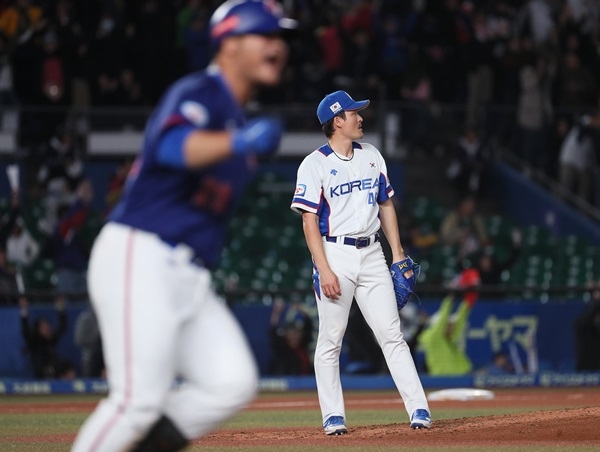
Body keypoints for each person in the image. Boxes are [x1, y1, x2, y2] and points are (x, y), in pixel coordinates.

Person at [72, 1, 295, 451]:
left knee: (230, 382)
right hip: (143, 253)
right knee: (137, 401)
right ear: (229, 44)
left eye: (280, 37)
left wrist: (237, 137)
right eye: (265, 35)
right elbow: (172, 147)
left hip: (189, 273)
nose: (277, 46)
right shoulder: (200, 92)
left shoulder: (235, 116)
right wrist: (237, 141)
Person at [290, 90, 431, 435]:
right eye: (354, 113)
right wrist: (323, 268)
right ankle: (333, 416)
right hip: (335, 253)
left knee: (391, 334)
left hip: (372, 254)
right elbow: (309, 221)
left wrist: (397, 253)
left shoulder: (372, 156)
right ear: (337, 121)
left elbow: (386, 205)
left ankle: (419, 410)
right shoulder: (314, 164)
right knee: (331, 339)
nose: (360, 117)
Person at [418, 268, 480, 376]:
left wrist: (470, 298)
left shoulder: (450, 337)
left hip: (463, 376)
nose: (452, 326)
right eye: (449, 324)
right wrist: (451, 294)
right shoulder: (433, 338)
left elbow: (462, 315)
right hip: (443, 380)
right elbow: (443, 316)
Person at [19, 297, 74, 379]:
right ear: (38, 329)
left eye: (48, 327)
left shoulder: (52, 339)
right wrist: (24, 309)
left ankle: (68, 388)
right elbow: (25, 329)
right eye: (43, 328)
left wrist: (60, 307)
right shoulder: (33, 340)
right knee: (50, 370)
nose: (47, 329)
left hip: (55, 368)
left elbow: (62, 326)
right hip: (41, 371)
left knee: (68, 366)